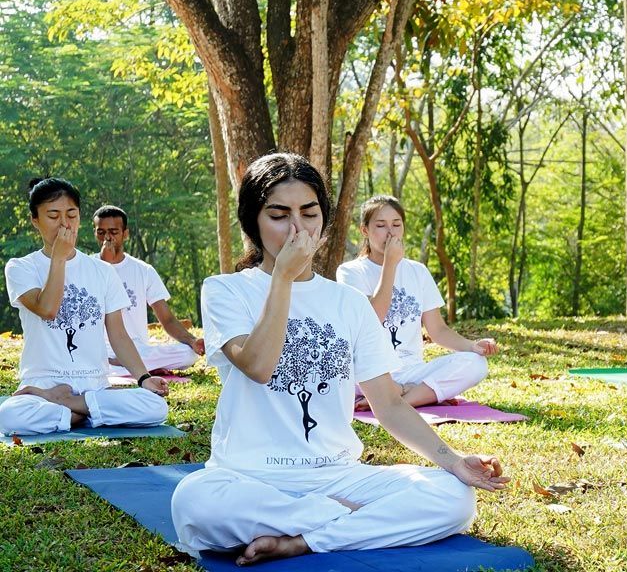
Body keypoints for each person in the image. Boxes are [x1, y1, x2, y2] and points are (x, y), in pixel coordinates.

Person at [171, 154, 508, 566]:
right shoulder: (226, 290)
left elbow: (388, 403)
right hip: (251, 477)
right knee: (194, 502)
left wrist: (453, 461)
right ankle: (342, 518)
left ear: (324, 220)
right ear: (252, 223)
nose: (297, 228)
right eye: (279, 215)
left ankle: (302, 540)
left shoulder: (348, 302)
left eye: (309, 213)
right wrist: (282, 279)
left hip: (338, 475)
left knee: (454, 497)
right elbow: (258, 366)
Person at [0, 178, 169, 436]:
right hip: (44, 386)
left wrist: (144, 379)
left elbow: (118, 334)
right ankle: (86, 412)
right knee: (8, 415)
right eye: (53, 215)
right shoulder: (21, 267)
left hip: (94, 386)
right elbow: (48, 309)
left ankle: (70, 409)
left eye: (71, 214)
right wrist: (58, 258)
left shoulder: (102, 271)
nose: (64, 223)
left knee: (156, 408)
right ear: (35, 221)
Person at [336, 195, 497, 410]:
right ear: (364, 230)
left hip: (411, 370)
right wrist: (390, 265)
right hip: (368, 373)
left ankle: (398, 400)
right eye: (381, 225)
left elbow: (438, 330)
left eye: (396, 224)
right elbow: (371, 322)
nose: (390, 232)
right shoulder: (350, 272)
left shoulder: (417, 271)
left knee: (476, 364)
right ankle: (410, 393)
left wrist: (472, 346)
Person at [93, 205, 204, 375]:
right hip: (99, 349)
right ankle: (123, 365)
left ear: (125, 234)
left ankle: (124, 365)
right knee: (89, 358)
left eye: (113, 232)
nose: (107, 238)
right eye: (101, 232)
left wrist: (192, 340)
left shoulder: (143, 270)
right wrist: (105, 265)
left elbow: (167, 319)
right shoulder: (86, 268)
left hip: (137, 349)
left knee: (188, 355)